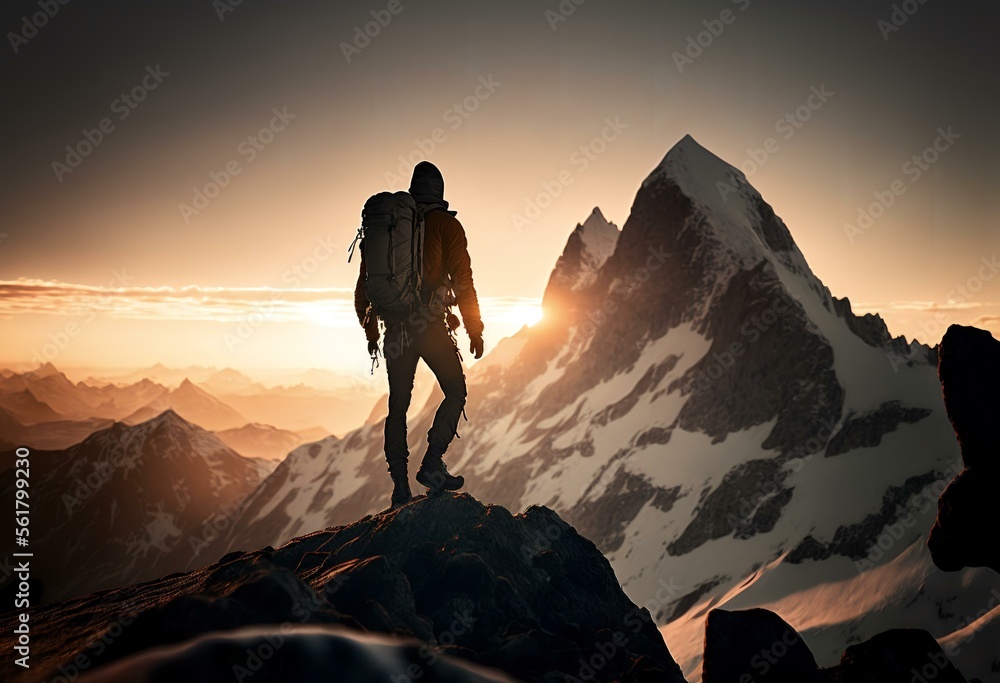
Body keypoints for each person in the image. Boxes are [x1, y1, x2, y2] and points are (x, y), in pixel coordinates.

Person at [354, 161, 485, 507]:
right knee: (455, 390)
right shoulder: (448, 226)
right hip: (429, 326)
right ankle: (431, 464)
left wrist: (371, 333)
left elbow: (363, 290)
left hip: (394, 328)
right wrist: (474, 328)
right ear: (440, 191)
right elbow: (464, 281)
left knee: (398, 406)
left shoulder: (390, 226)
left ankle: (399, 487)